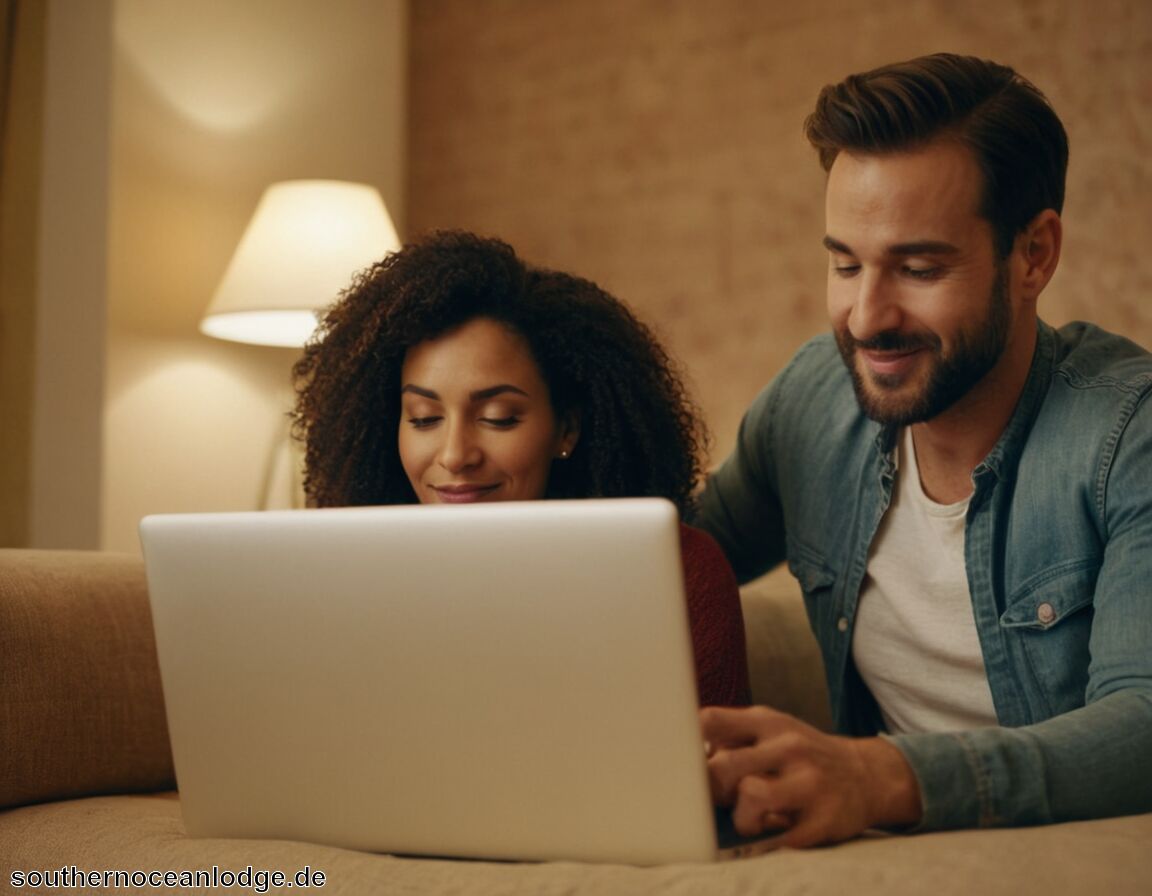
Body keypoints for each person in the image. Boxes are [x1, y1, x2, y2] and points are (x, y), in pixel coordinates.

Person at [693, 53, 1152, 847]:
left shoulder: (1126, 433)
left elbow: (1142, 727)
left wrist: (878, 776)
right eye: (845, 263)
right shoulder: (812, 401)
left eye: (918, 267)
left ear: (1034, 255)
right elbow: (676, 558)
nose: (868, 316)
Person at [292, 229, 750, 708]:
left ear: (566, 429)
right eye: (424, 419)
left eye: (498, 418)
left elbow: (710, 769)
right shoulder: (346, 582)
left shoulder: (678, 574)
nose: (454, 455)